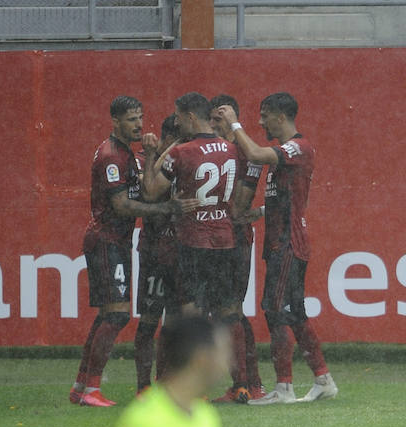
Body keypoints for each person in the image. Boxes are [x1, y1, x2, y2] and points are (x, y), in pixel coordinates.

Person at [213, 93, 338, 405]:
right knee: (295, 313)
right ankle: (323, 379)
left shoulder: (298, 147)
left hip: (289, 243)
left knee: (274, 308)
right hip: (282, 240)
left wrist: (234, 124)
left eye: (265, 116)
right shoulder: (284, 153)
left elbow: (254, 151)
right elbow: (288, 199)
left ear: (281, 118)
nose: (261, 122)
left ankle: (284, 387)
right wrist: (257, 213)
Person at [72, 96, 196, 408]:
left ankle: (83, 386)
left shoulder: (126, 153)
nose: (139, 124)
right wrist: (167, 207)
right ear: (115, 121)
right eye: (131, 119)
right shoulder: (112, 156)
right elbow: (122, 205)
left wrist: (154, 153)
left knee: (109, 315)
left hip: (116, 240)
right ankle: (89, 388)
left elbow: (139, 191)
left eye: (140, 117)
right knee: (116, 314)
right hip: (107, 239)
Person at [143, 92, 238, 319]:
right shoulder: (231, 149)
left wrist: (149, 156)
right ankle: (227, 355)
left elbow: (150, 192)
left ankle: (193, 355)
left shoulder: (181, 152)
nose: (176, 122)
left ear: (191, 117)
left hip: (193, 242)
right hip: (224, 242)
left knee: (190, 311)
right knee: (226, 312)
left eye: (178, 117)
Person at [208, 93, 266, 404]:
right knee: (227, 313)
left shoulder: (246, 152)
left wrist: (250, 213)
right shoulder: (211, 152)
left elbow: (239, 207)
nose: (214, 125)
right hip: (216, 238)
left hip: (233, 240)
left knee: (229, 312)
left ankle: (244, 384)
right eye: (212, 119)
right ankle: (249, 383)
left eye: (219, 119)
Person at [133, 113, 187, 395]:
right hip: (155, 251)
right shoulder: (147, 159)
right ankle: (143, 386)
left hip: (180, 253)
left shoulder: (187, 157)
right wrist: (165, 150)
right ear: (168, 137)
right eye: (179, 138)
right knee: (149, 319)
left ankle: (167, 381)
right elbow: (147, 193)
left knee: (176, 321)